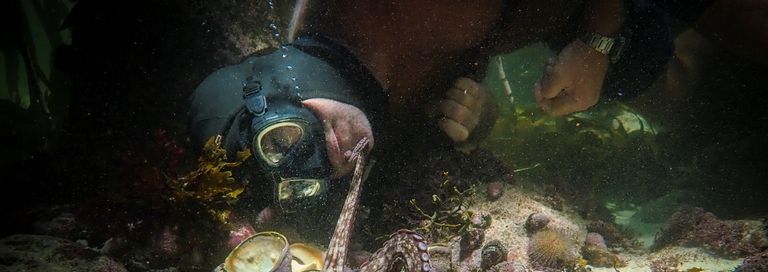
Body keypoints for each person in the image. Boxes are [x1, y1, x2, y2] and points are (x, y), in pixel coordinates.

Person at [188, 0, 635, 213]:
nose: (329, 160)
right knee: (641, 64)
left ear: (263, 83)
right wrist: (476, 117)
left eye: (278, 140)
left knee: (642, 58)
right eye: (297, 182)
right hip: (548, 30)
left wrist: (599, 36)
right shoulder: (369, 132)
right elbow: (469, 96)